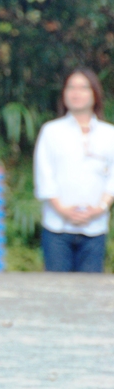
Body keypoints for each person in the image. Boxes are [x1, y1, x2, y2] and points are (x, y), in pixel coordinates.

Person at [34, 67, 114, 273]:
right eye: (71, 87)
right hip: (57, 227)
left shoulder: (109, 134)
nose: (76, 93)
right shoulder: (51, 131)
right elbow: (44, 176)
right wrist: (62, 210)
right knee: (57, 288)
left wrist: (100, 208)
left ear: (95, 93)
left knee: (90, 289)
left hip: (95, 227)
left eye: (83, 88)